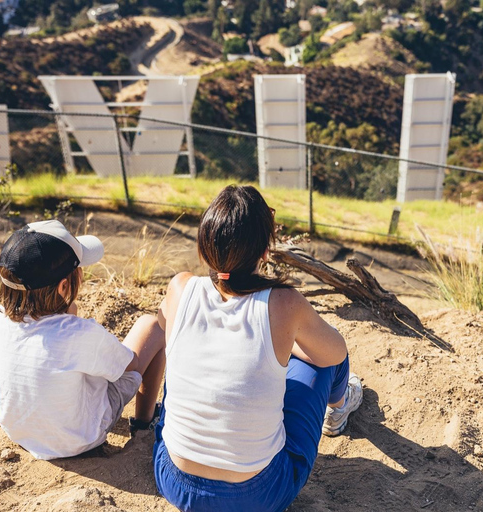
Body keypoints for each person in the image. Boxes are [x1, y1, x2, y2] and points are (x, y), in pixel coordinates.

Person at [154, 185, 363, 511]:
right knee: (321, 360)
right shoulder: (282, 303)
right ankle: (340, 404)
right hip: (256, 496)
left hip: (174, 479)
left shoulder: (180, 288)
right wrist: (287, 347)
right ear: (265, 251)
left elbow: (172, 335)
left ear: (204, 244)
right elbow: (334, 352)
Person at [0, 220, 166, 460]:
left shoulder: (1, 315)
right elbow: (131, 366)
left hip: (19, 431)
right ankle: (144, 422)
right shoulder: (78, 333)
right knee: (152, 326)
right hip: (77, 441)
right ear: (64, 286)